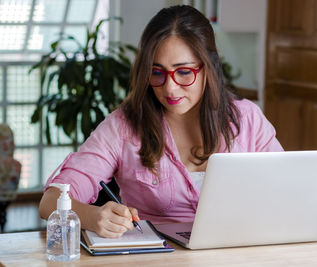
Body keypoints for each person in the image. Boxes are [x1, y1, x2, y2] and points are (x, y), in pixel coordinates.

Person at [38, 5, 283, 238]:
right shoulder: (123, 126)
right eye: (157, 72)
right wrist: (93, 216)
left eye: (184, 72)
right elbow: (49, 203)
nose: (169, 87)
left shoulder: (247, 120)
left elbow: (286, 191)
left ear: (208, 68)